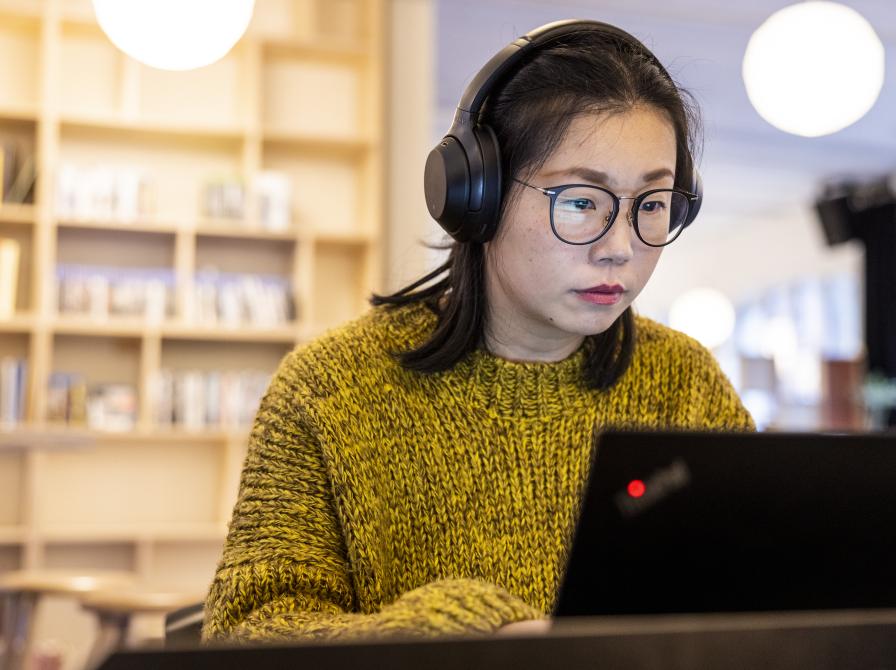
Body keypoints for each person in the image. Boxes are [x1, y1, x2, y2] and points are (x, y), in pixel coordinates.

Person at [203, 19, 754, 643]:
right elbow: (246, 635)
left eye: (651, 205)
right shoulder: (327, 390)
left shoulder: (686, 382)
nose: (621, 248)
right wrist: (467, 635)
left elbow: (768, 599)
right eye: (580, 201)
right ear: (477, 196)